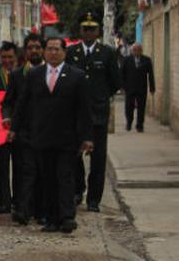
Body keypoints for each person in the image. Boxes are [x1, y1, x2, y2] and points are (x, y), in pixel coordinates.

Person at [11, 37, 94, 233]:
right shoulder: (35, 75)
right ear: (45, 52)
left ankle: (66, 217)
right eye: (50, 49)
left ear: (64, 52)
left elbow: (84, 110)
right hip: (41, 136)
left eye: (57, 49)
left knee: (64, 177)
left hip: (67, 138)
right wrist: (14, 128)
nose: (53, 52)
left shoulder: (76, 76)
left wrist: (87, 137)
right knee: (47, 179)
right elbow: (22, 104)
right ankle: (51, 219)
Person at [65, 12, 121, 212]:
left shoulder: (107, 53)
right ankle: (77, 191)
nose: (88, 32)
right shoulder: (71, 52)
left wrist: (100, 96)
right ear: (80, 30)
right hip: (75, 114)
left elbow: (115, 82)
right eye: (85, 29)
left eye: (92, 29)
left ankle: (94, 199)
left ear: (98, 31)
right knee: (74, 155)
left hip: (97, 113)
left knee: (97, 159)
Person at [3, 33, 45, 224]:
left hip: (46, 132)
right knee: (23, 172)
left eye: (37, 47)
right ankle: (22, 209)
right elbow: (8, 102)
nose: (34, 51)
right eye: (30, 48)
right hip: (24, 132)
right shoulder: (17, 75)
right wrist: (7, 118)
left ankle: (43, 209)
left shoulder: (51, 73)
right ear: (25, 51)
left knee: (44, 172)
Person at [0, 41, 19, 214]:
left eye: (10, 57)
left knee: (20, 167)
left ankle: (18, 200)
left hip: (19, 128)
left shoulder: (23, 74)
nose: (7, 60)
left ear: (16, 57)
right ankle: (4, 202)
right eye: (4, 57)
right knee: (1, 167)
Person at [122, 42, 155, 132]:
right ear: (132, 51)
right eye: (134, 50)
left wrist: (152, 87)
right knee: (129, 106)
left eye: (138, 50)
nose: (136, 52)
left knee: (141, 107)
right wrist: (123, 86)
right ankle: (129, 122)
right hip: (129, 87)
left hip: (142, 87)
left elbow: (151, 75)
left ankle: (140, 125)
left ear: (141, 51)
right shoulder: (126, 60)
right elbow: (122, 74)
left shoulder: (147, 60)